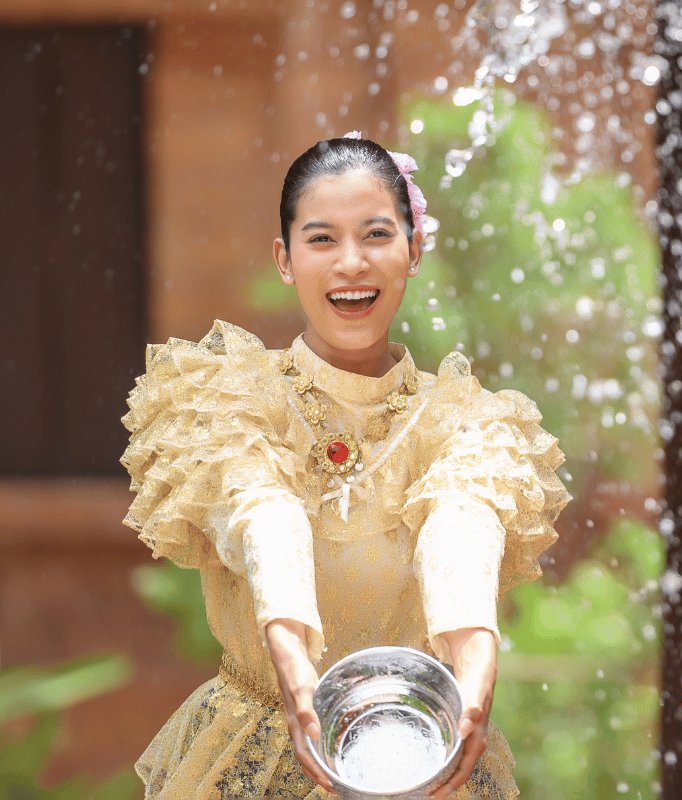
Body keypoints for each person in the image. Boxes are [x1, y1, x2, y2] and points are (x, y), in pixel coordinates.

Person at [121, 132, 569, 798]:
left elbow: (461, 530)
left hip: (417, 747)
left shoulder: (467, 422)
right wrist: (293, 662)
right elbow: (264, 515)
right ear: (285, 258)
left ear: (414, 250)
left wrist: (472, 685)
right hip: (255, 753)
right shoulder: (232, 403)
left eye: (378, 235)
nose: (351, 263)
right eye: (323, 239)